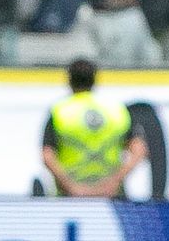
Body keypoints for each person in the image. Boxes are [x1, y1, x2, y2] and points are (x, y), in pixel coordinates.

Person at [41, 59, 148, 198]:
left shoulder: (60, 112)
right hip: (111, 196)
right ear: (94, 80)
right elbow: (139, 150)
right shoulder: (116, 110)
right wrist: (114, 182)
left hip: (71, 196)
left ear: (69, 80)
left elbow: (47, 156)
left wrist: (72, 187)